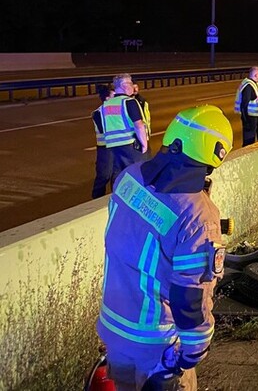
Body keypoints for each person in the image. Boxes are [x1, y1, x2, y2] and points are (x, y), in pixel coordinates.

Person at [97, 104, 234, 391]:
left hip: (116, 332)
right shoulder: (197, 215)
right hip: (157, 347)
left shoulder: (128, 178)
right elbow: (189, 299)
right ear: (216, 153)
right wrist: (193, 351)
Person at [97, 73, 150, 192]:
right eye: (131, 83)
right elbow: (139, 125)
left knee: (120, 175)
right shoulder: (129, 102)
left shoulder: (106, 105)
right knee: (139, 174)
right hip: (130, 144)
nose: (133, 86)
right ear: (124, 85)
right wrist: (144, 145)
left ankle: (119, 195)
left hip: (113, 146)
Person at [90, 83, 115, 199]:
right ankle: (95, 201)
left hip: (117, 146)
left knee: (117, 176)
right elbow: (105, 130)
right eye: (114, 96)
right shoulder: (98, 113)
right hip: (105, 149)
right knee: (104, 176)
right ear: (107, 98)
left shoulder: (116, 111)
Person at [234, 66, 258, 147]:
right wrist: (245, 120)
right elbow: (244, 104)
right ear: (256, 75)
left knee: (251, 139)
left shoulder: (254, 84)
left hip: (253, 117)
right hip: (249, 118)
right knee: (248, 141)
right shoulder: (248, 86)